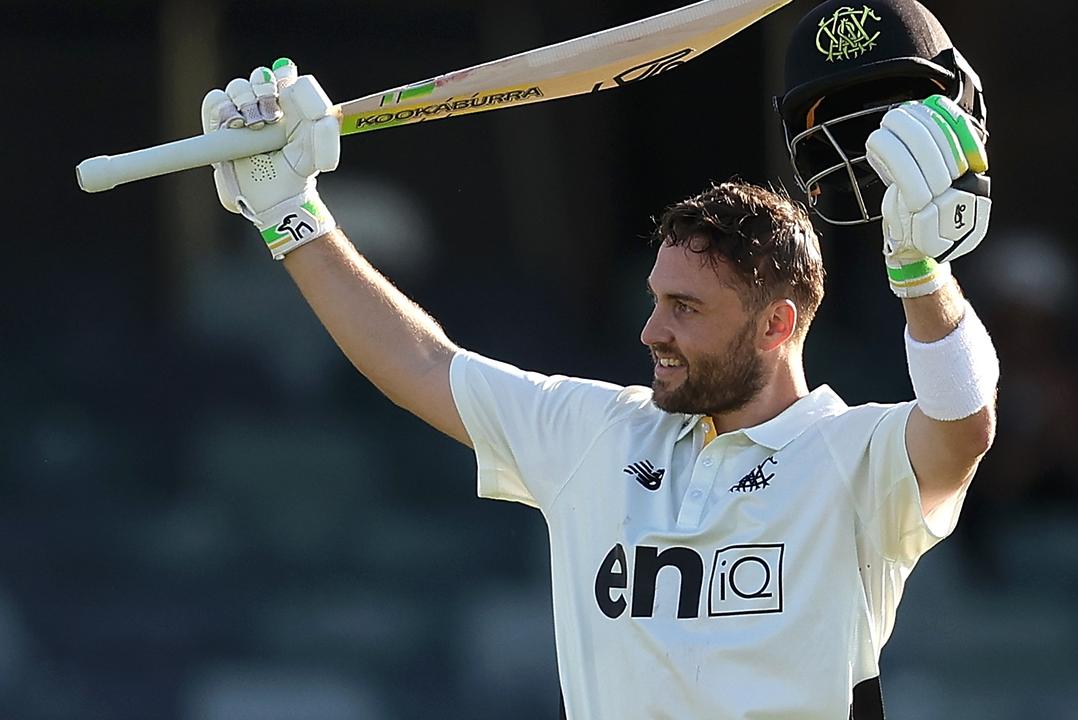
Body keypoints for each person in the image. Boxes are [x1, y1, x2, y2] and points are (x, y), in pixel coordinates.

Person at [196, 0, 997, 715]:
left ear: (775, 326)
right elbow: (418, 365)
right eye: (655, 300)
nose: (651, 331)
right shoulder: (597, 435)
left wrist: (923, 277)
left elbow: (962, 428)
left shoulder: (854, 458)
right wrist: (290, 215)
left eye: (685, 309)